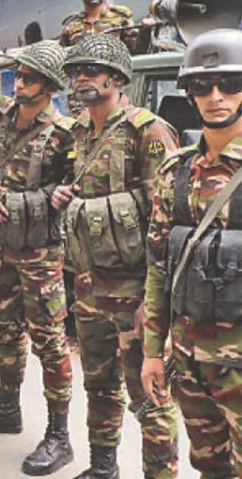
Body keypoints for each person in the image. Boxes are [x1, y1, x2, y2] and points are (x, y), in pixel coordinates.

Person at [52, 33, 179, 479]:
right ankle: (103, 466)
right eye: (76, 72)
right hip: (89, 286)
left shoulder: (148, 131)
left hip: (134, 291)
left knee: (148, 393)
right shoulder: (80, 134)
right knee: (99, 384)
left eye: (90, 71)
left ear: (116, 77)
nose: (81, 79)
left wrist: (155, 301)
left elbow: (166, 220)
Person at [0, 41, 77, 476]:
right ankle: (7, 408)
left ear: (48, 87)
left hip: (40, 254)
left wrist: (24, 198)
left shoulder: (65, 133)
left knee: (49, 342)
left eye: (27, 78)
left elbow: (73, 191)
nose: (18, 83)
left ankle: (59, 436)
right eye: (17, 76)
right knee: (5, 331)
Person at [142, 28, 242, 478]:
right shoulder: (175, 171)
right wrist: (150, 350)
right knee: (210, 469)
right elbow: (159, 268)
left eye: (230, 84)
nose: (216, 96)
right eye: (202, 86)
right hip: (190, 357)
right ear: (188, 92)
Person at [58, 0, 146, 55]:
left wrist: (146, 30)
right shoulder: (71, 25)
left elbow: (136, 49)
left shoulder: (120, 17)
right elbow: (61, 55)